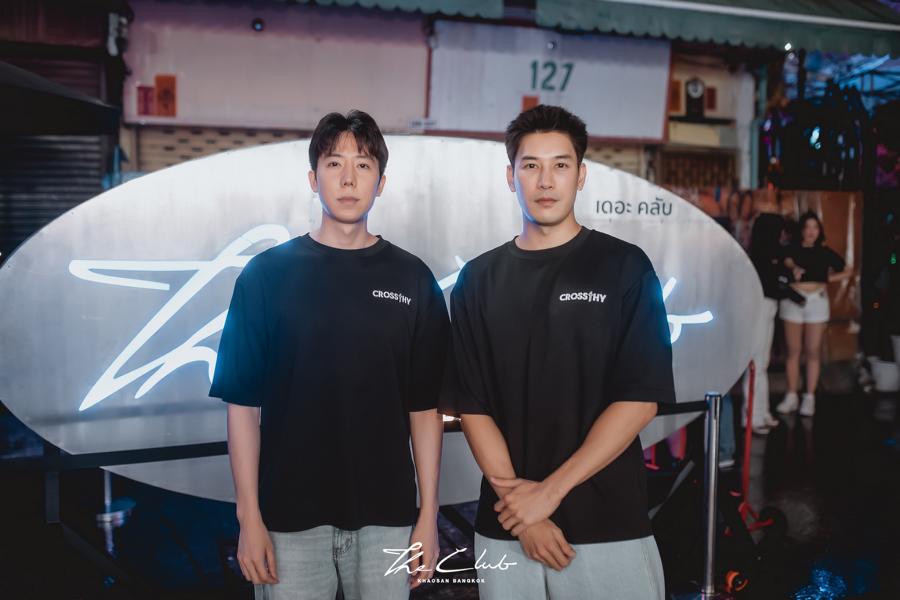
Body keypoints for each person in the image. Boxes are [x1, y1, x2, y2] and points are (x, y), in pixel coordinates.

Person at [209, 110, 449, 599]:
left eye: (363, 165)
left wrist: (428, 514)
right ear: (312, 178)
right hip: (288, 519)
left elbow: (425, 408)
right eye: (334, 163)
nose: (348, 179)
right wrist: (248, 517)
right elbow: (242, 406)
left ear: (381, 183)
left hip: (386, 516)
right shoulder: (265, 276)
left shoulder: (412, 278)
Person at [439, 105, 674, 600]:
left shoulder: (625, 267)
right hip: (507, 526)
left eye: (560, 165)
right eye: (531, 165)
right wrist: (524, 514)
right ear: (511, 177)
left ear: (581, 175)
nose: (545, 181)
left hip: (607, 522)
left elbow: (640, 399)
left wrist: (547, 494)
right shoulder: (478, 280)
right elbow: (473, 406)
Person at [776, 211, 851, 417]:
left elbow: (847, 270)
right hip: (793, 299)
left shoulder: (824, 251)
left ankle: (809, 397)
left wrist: (827, 279)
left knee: (813, 350)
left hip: (816, 300)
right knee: (793, 350)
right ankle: (791, 395)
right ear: (801, 230)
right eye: (807, 227)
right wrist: (793, 267)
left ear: (819, 231)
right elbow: (785, 261)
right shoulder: (790, 249)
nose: (811, 231)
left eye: (815, 227)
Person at [742, 212, 787, 434]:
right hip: (761, 307)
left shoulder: (765, 253)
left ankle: (761, 412)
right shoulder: (762, 256)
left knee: (762, 363)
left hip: (768, 307)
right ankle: (752, 416)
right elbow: (770, 284)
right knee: (757, 363)